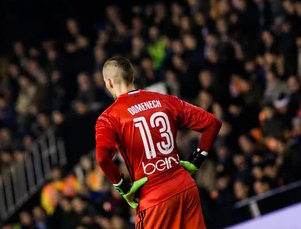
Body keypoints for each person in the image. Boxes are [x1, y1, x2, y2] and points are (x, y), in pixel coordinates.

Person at [95, 56, 222, 229]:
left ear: (108, 82)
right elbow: (212, 123)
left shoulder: (109, 118)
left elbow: (102, 158)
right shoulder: (164, 100)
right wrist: (197, 159)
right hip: (185, 186)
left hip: (154, 197)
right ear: (132, 76)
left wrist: (122, 186)